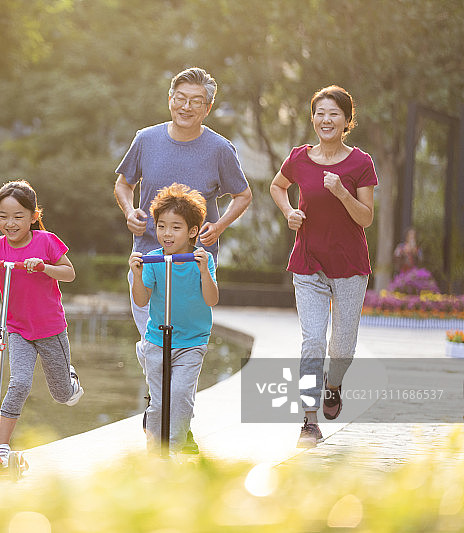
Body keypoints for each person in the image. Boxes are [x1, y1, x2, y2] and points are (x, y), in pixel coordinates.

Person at [114, 66, 250, 447]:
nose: (186, 107)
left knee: (185, 342)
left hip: (195, 263)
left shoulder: (220, 149)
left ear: (208, 108)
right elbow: (123, 183)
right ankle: (163, 408)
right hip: (147, 257)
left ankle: (168, 415)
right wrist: (129, 211)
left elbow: (243, 194)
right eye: (181, 98)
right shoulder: (146, 139)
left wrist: (219, 227)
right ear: (169, 99)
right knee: (153, 342)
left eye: (196, 101)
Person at [269, 85, 377, 448]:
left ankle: (334, 386)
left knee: (342, 347)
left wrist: (342, 192)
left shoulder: (360, 162)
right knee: (313, 340)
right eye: (320, 113)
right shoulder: (300, 158)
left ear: (347, 120)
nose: (326, 119)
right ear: (313, 118)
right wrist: (289, 212)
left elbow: (366, 218)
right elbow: (277, 186)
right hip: (308, 263)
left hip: (349, 266)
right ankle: (309, 420)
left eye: (334, 113)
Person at [0, 180, 83, 463]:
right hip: (17, 330)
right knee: (19, 383)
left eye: (18, 217)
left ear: (34, 216)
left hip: (50, 330)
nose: (10, 223)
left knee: (63, 395)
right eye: (3, 216)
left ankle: (70, 379)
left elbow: (69, 273)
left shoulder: (46, 241)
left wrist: (43, 267)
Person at [129, 183, 218, 452]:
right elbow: (142, 300)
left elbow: (212, 299)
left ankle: (176, 449)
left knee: (179, 396)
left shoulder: (202, 260)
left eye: (176, 227)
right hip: (158, 339)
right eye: (162, 226)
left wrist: (204, 271)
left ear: (192, 232)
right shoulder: (154, 260)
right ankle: (155, 454)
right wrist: (136, 273)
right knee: (158, 401)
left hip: (191, 341)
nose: (167, 234)